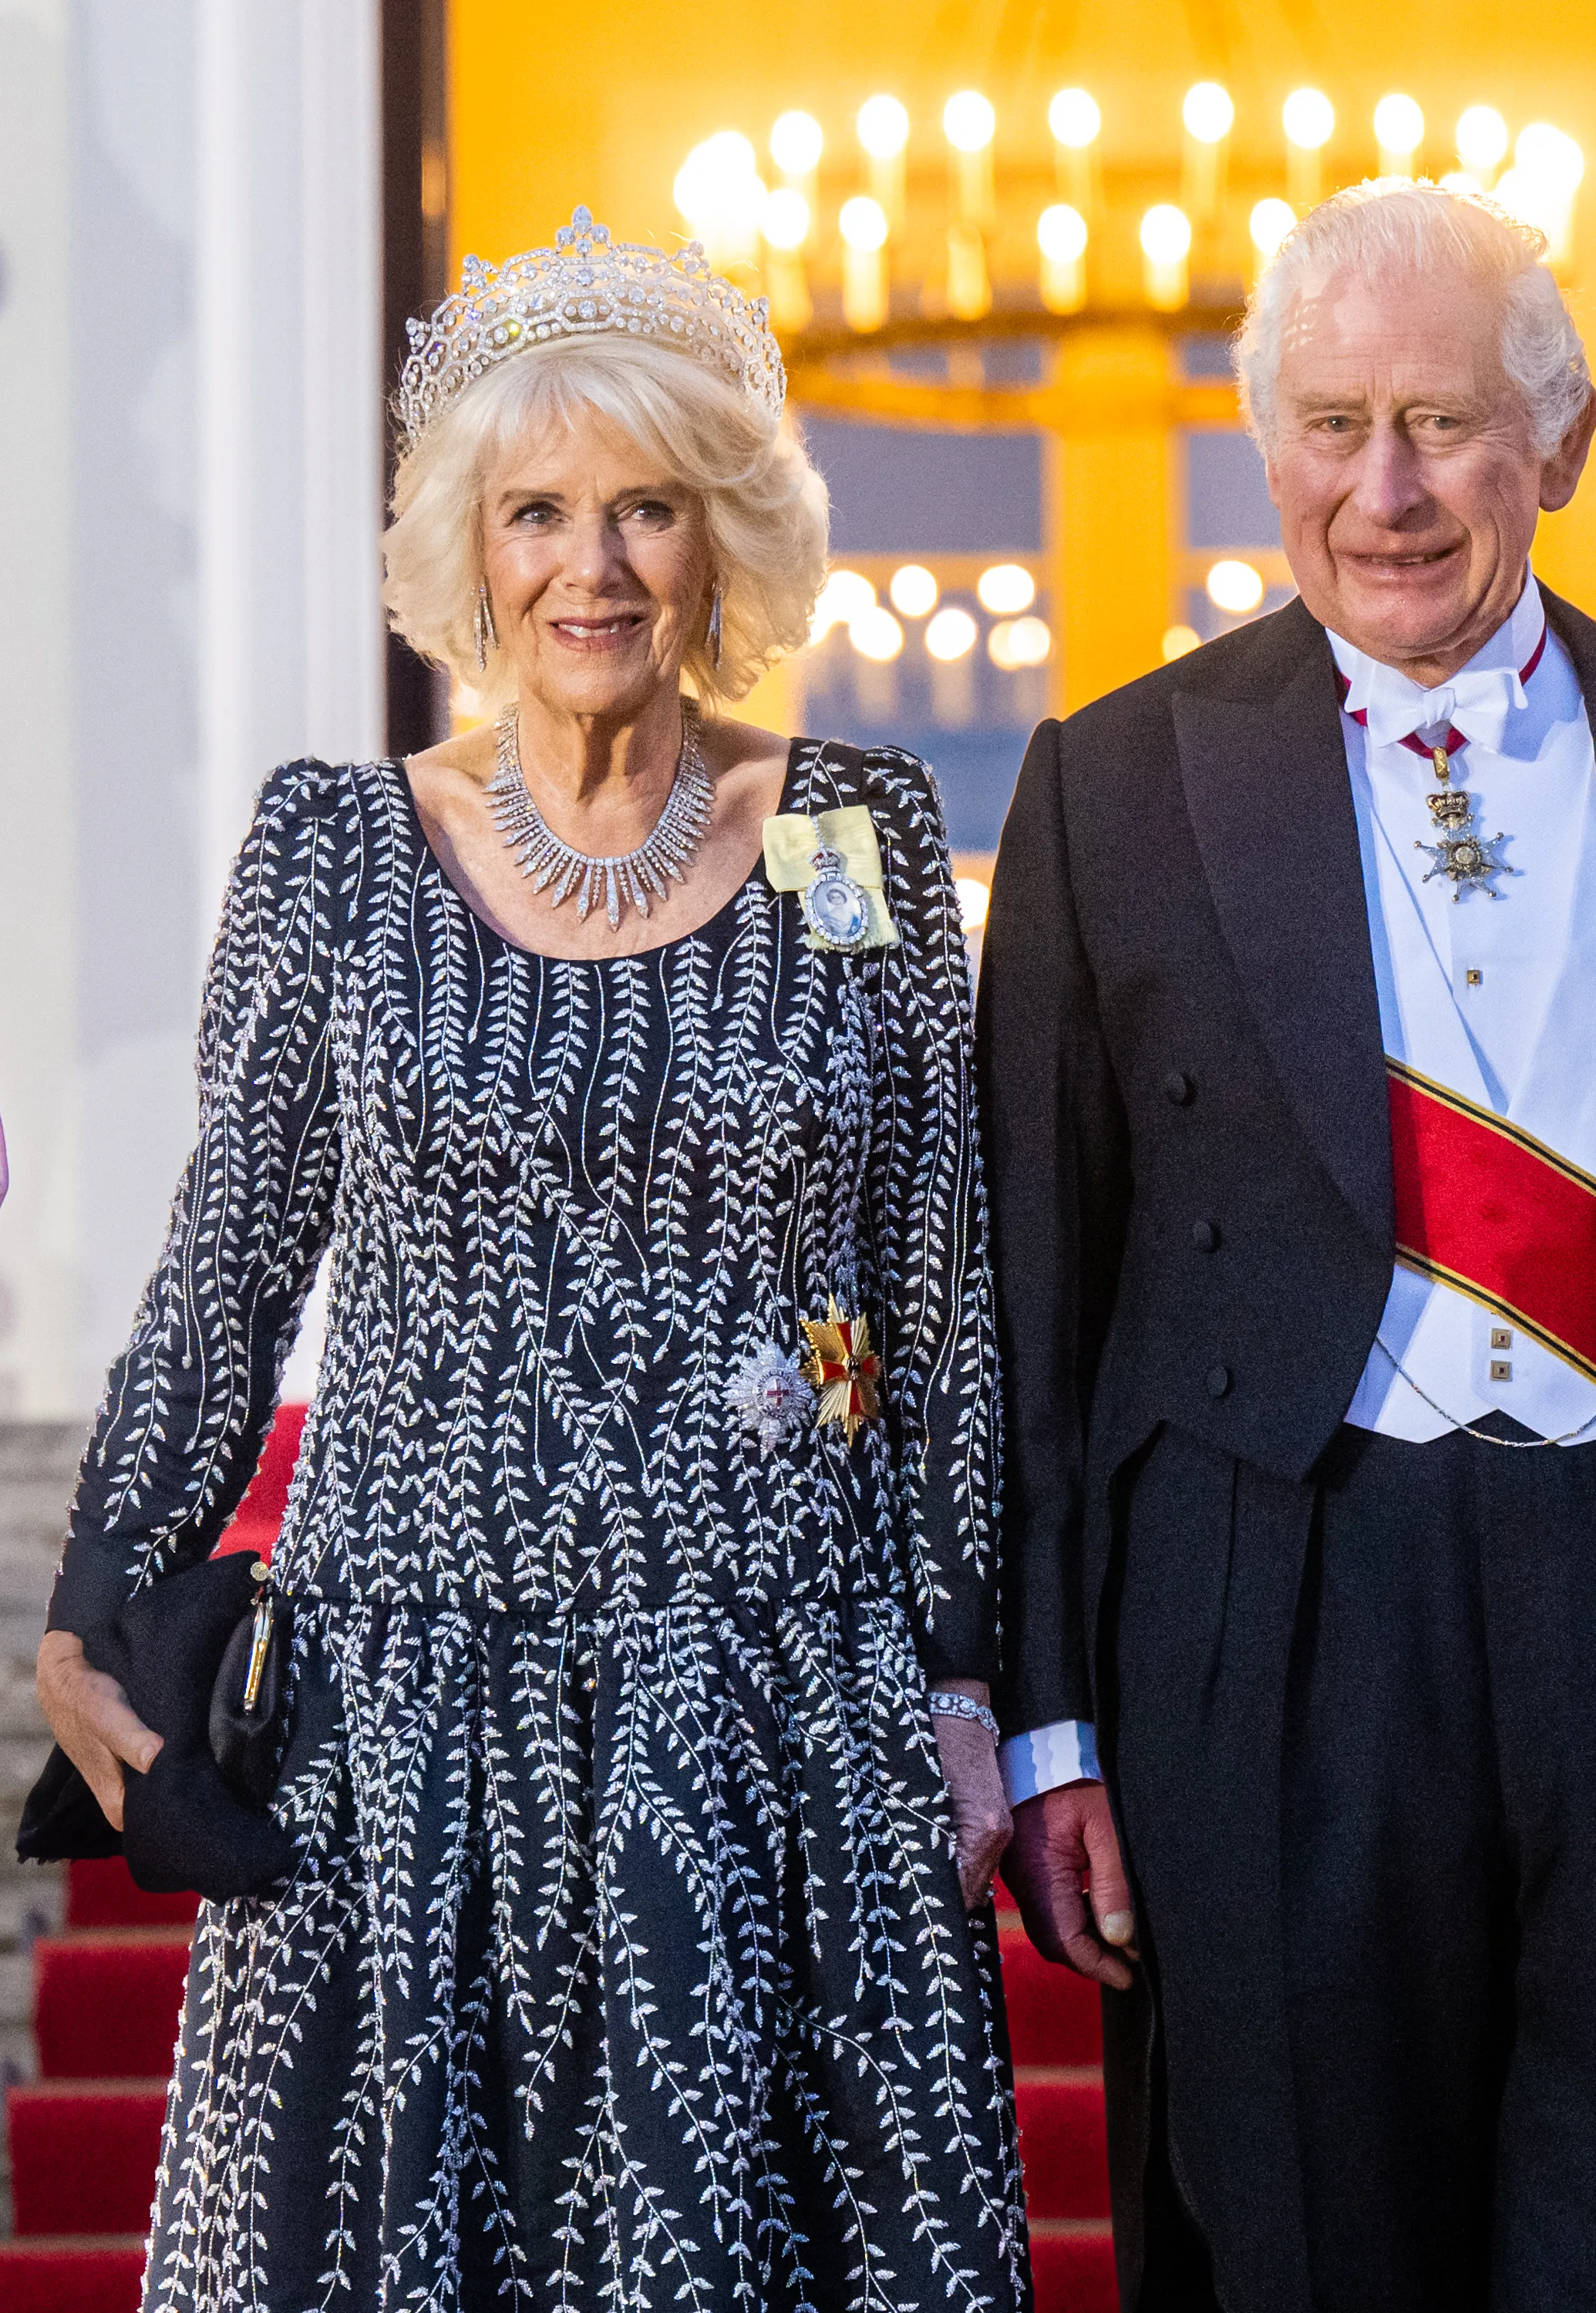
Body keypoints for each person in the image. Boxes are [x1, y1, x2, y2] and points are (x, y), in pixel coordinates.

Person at [979, 181, 1596, 2313]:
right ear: (1269, 449)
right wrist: (1047, 1724)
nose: (1385, 489)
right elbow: (1033, 1311)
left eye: (1439, 422)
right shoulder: (1113, 789)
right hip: (1266, 1621)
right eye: (1329, 424)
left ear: (1561, 443)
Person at [37, 208, 1025, 2310]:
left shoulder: (852, 834)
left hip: (774, 1700)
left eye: (646, 508)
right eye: (540, 511)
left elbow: (934, 1299)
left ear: (720, 539)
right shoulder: (332, 851)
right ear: (468, 553)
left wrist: (962, 1674)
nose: (593, 565)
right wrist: (100, 1594)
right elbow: (229, 1267)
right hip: (404, 1707)